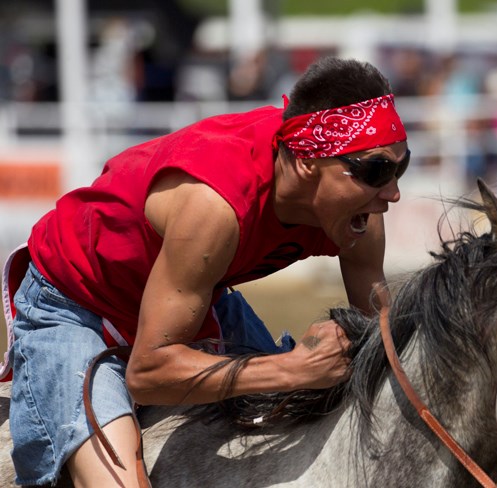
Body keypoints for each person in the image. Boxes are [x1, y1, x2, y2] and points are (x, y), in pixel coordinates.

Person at [1, 56, 409, 487]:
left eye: (399, 167)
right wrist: (292, 369)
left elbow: (380, 343)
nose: (393, 192)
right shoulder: (215, 206)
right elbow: (149, 373)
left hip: (194, 301)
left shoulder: (360, 211)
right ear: (308, 163)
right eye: (376, 170)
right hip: (74, 307)